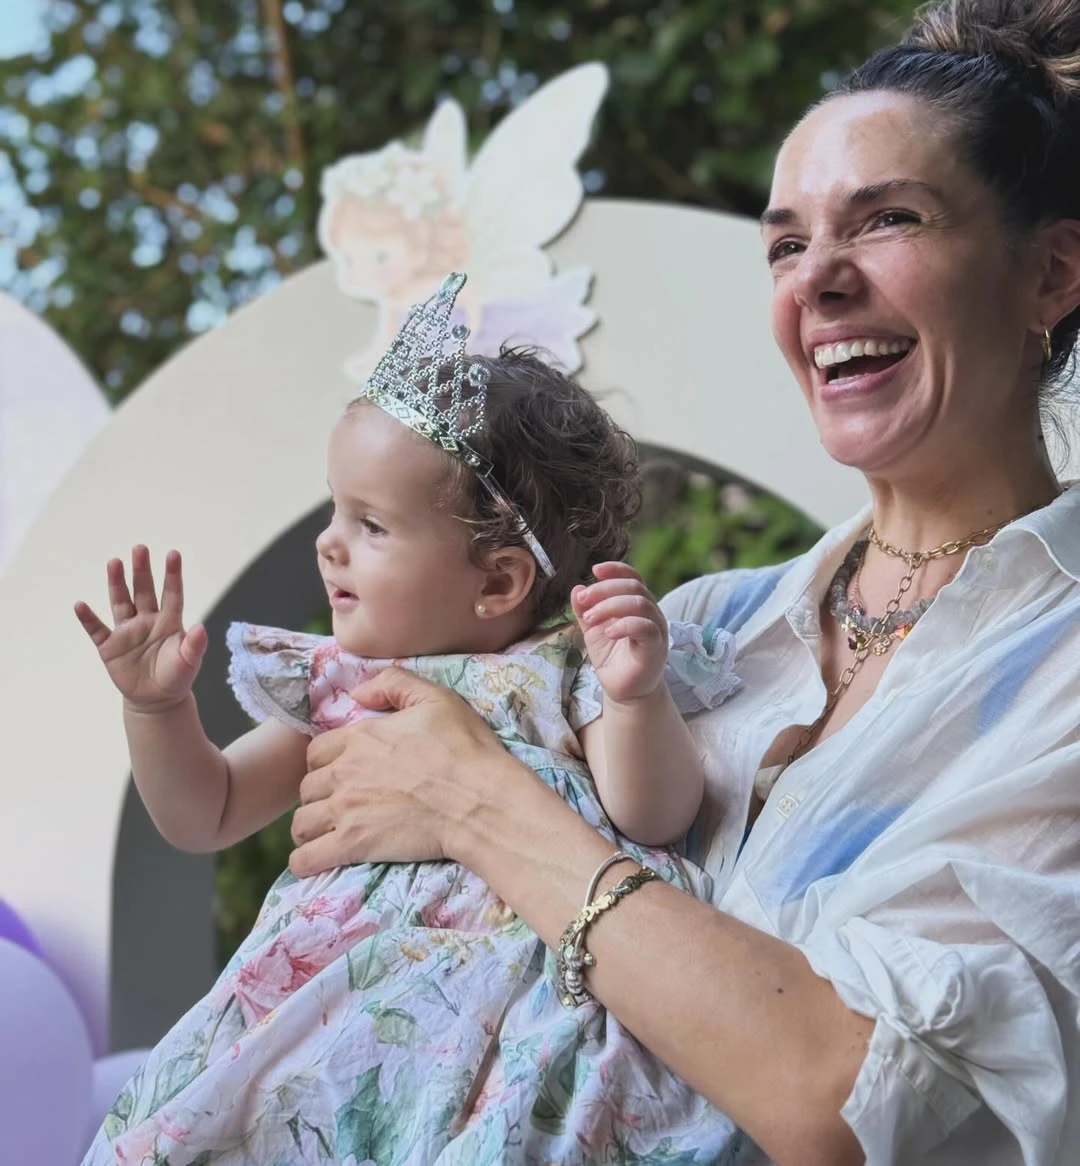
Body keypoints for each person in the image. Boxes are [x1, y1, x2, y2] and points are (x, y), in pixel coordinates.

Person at [282, 2, 1080, 1163]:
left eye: (889, 219)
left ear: (1051, 273)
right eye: (787, 244)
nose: (821, 281)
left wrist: (474, 800)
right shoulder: (704, 628)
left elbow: (841, 1096)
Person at [76, 273, 743, 1163]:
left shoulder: (564, 673)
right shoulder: (348, 691)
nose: (329, 541)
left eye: (373, 524)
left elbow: (652, 816)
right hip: (330, 1012)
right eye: (334, 510)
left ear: (498, 580)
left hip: (508, 1014)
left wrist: (634, 695)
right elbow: (208, 811)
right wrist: (156, 710)